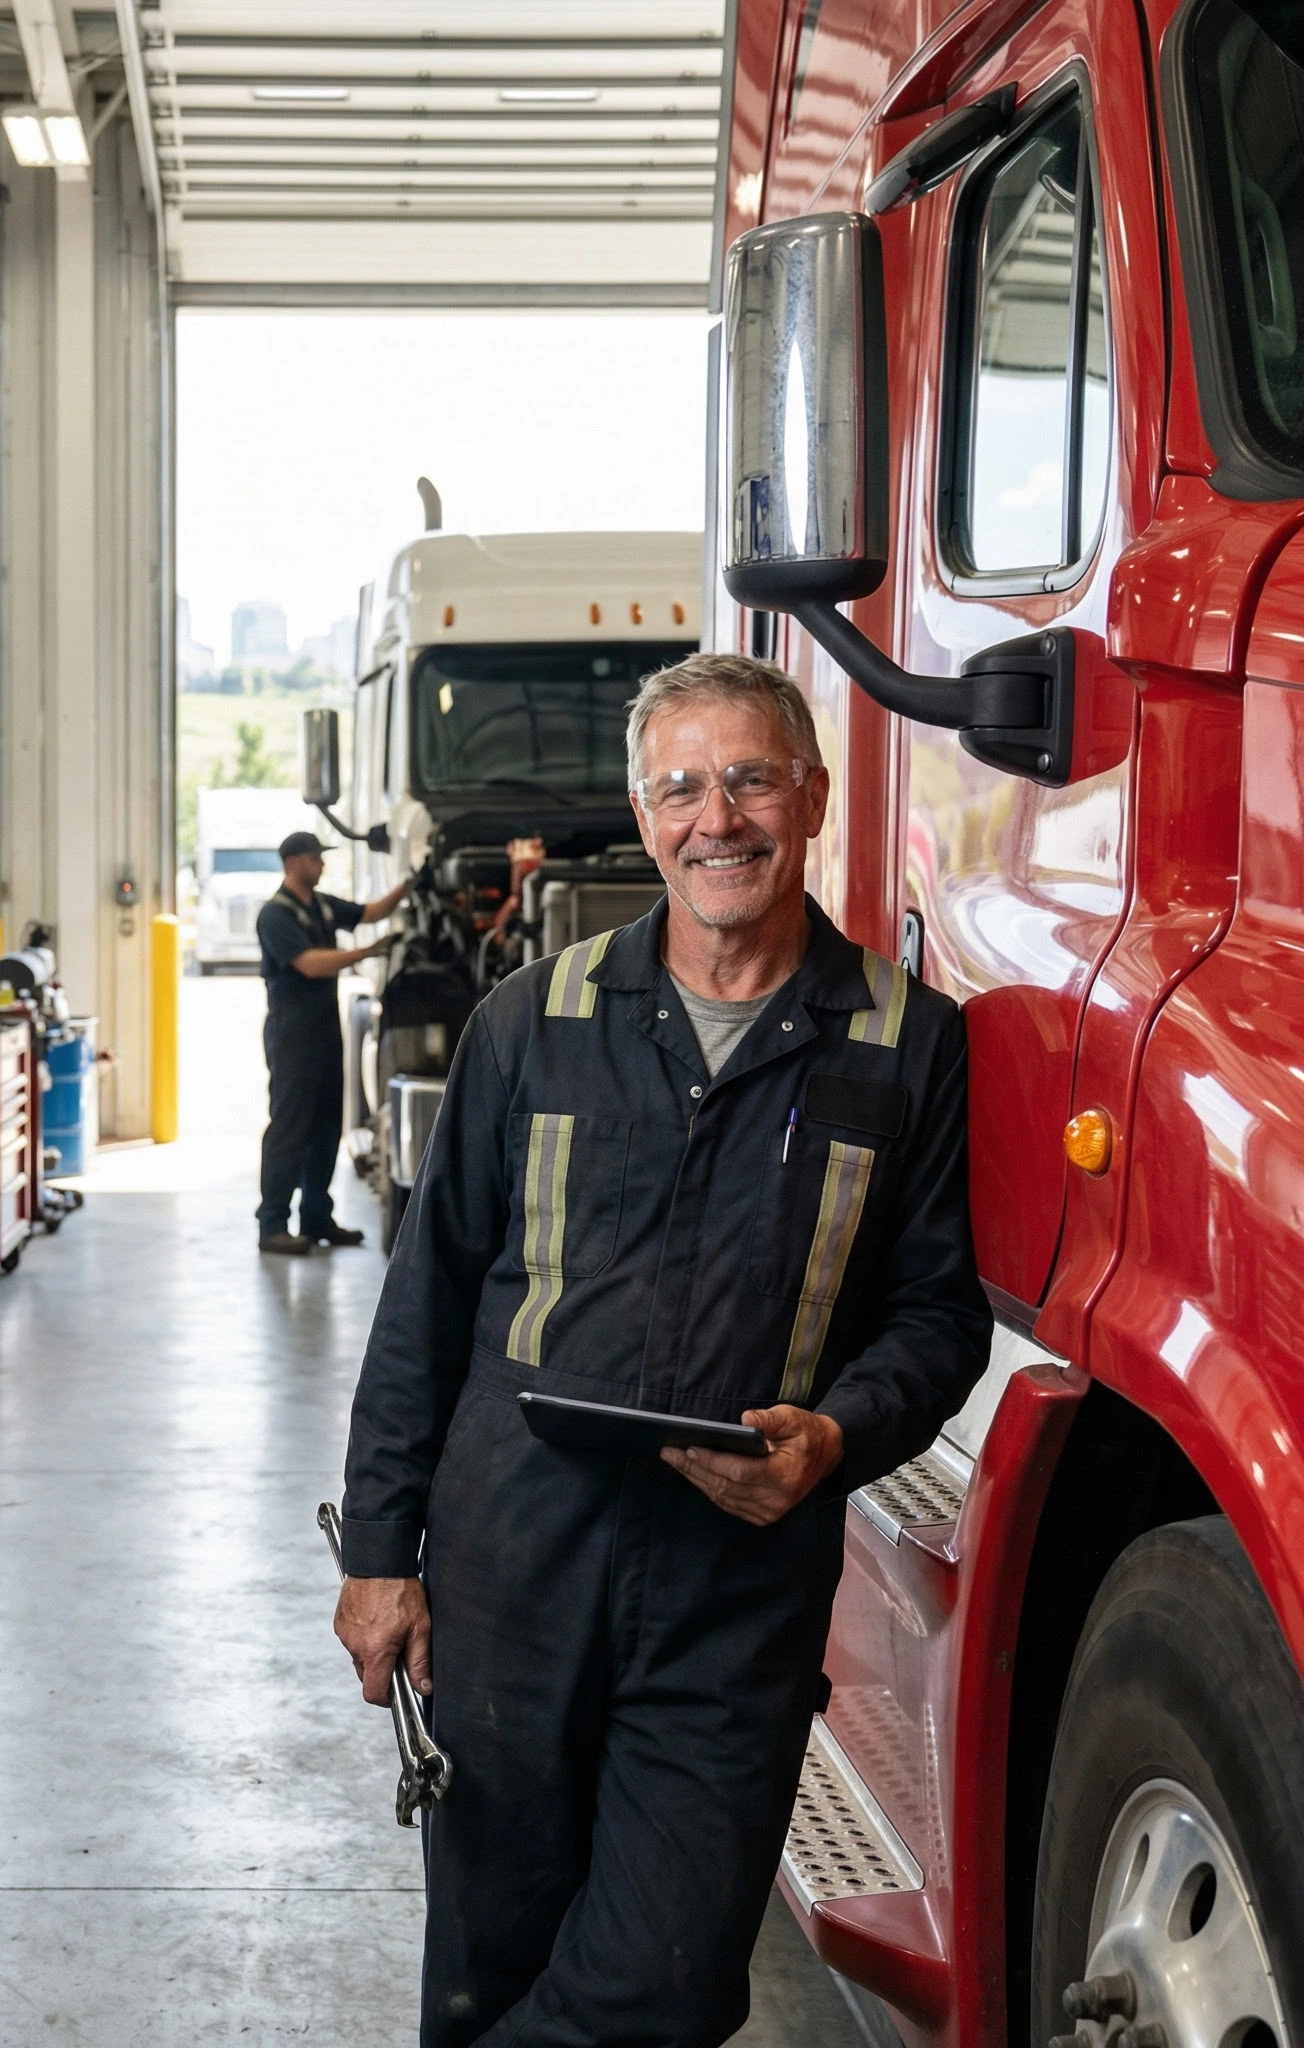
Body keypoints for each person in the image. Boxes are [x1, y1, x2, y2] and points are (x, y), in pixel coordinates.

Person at [332, 653, 990, 2046]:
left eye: (750, 779)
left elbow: (938, 1317)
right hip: (516, 1565)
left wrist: (840, 1435)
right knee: (493, 1958)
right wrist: (380, 1558)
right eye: (682, 787)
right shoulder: (536, 1021)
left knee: (671, 1981)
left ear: (809, 799)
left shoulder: (903, 1044)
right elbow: (428, 1300)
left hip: (734, 1587)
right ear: (644, 819)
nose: (718, 818)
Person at [256, 831, 410, 1256]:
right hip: (292, 1033)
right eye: (314, 858)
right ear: (292, 862)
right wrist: (366, 952)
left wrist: (412, 883)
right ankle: (272, 1224)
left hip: (324, 1029)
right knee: (290, 1127)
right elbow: (309, 964)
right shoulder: (275, 915)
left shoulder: (322, 904)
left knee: (326, 1127)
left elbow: (374, 911)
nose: (321, 865)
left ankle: (317, 1218)